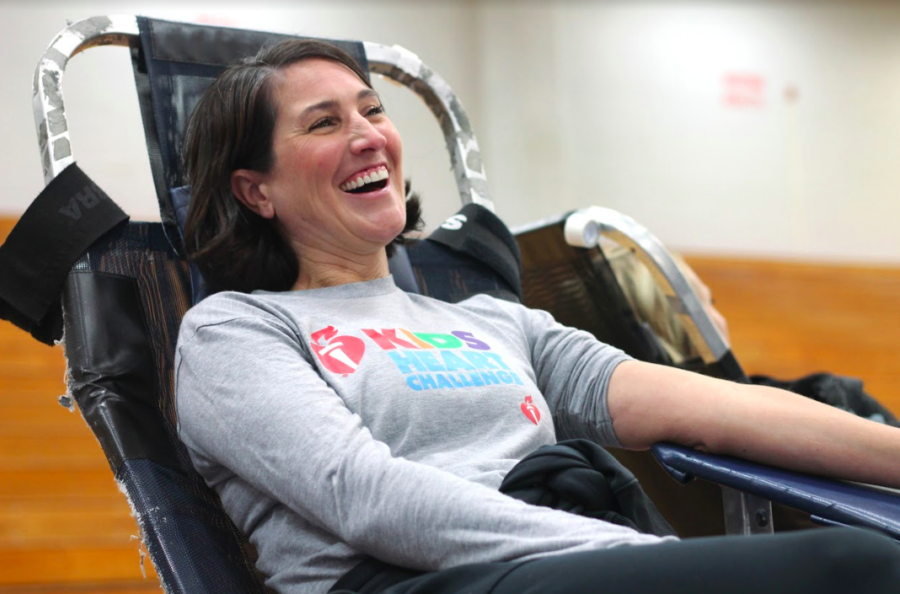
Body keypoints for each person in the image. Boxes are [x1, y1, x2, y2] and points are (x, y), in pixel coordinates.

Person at [174, 39, 900, 594]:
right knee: (855, 566)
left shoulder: (494, 321)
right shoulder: (235, 331)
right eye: (323, 123)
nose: (367, 135)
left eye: (371, 109)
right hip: (409, 578)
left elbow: (715, 409)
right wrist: (634, 554)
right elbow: (364, 497)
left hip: (555, 565)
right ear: (256, 190)